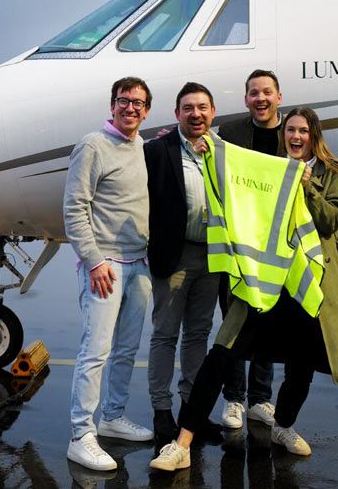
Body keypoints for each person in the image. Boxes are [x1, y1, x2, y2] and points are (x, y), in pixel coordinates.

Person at [150, 106, 338, 472]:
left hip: (308, 282)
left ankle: (283, 426)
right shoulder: (271, 167)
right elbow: (234, 177)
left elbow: (331, 220)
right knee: (221, 354)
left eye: (302, 131)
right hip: (264, 280)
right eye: (290, 131)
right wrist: (193, 148)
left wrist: (307, 185)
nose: (295, 137)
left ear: (314, 135)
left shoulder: (332, 173)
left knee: (302, 366)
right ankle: (182, 443)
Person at [63, 76, 154, 471]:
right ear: (112, 105)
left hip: (140, 264)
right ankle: (81, 435)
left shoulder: (143, 148)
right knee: (95, 352)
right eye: (123, 101)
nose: (130, 108)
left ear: (146, 109)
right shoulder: (92, 145)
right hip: (107, 266)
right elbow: (74, 208)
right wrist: (94, 260)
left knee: (127, 350)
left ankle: (113, 418)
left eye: (138, 103)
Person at [144, 82, 222, 443]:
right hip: (174, 256)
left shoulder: (223, 153)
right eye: (188, 108)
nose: (196, 114)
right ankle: (162, 412)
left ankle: (192, 412)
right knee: (164, 334)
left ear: (213, 112)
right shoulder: (157, 150)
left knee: (198, 335)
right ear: (177, 114)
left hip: (212, 255)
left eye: (202, 108)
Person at [215, 69, 284, 429]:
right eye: (254, 93)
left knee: (265, 324)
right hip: (238, 243)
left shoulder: (293, 135)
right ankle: (233, 400)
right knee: (234, 323)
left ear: (278, 98)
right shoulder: (230, 133)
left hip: (276, 246)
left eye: (267, 92)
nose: (261, 98)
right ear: (246, 100)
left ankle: (260, 399)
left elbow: (318, 173)